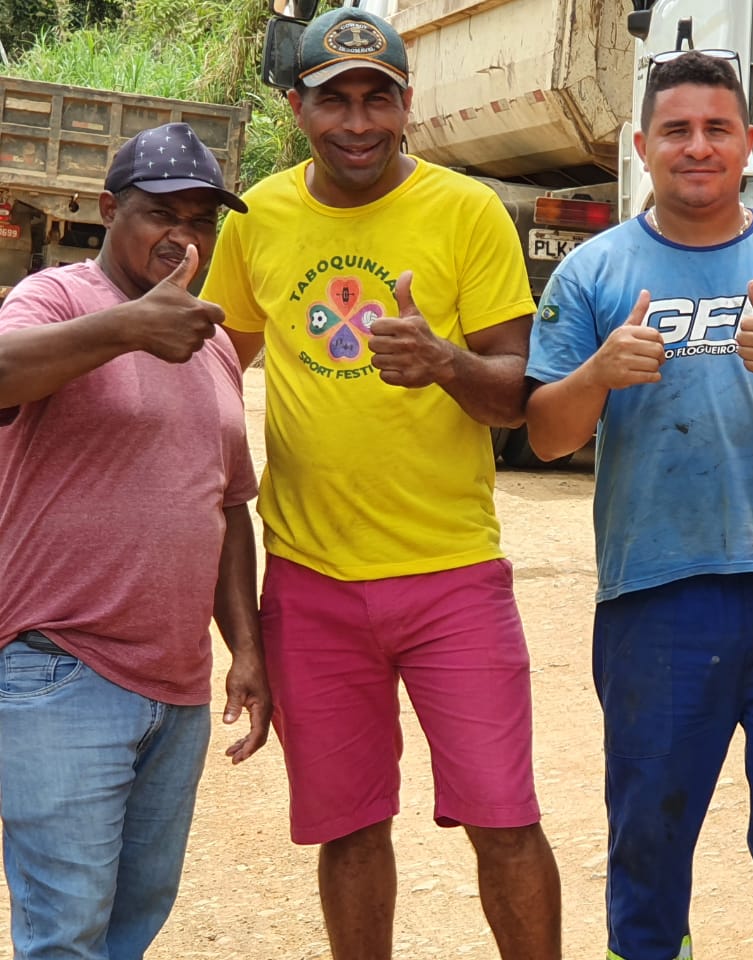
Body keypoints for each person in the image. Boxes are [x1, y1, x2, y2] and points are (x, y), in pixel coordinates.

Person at [198, 7, 561, 959]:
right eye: (334, 102)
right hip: (311, 586)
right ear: (296, 108)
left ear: (408, 105)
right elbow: (212, 374)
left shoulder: (466, 211)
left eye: (376, 99)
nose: (356, 122)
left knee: (505, 819)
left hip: (453, 579)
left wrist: (445, 362)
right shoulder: (261, 218)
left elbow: (515, 398)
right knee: (350, 829)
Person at [524, 49, 753, 960]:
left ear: (751, 143)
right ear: (642, 145)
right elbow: (546, 436)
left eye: (718, 129)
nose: (698, 147)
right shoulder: (593, 272)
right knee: (651, 836)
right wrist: (598, 373)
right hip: (656, 599)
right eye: (677, 130)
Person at [0, 122, 271, 960]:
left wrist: (247, 647)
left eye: (203, 220)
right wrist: (127, 328)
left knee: (131, 925)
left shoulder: (213, 342)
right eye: (163, 214)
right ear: (111, 210)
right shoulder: (57, 297)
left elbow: (226, 505)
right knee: (66, 932)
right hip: (60, 668)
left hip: (177, 689)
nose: (184, 237)